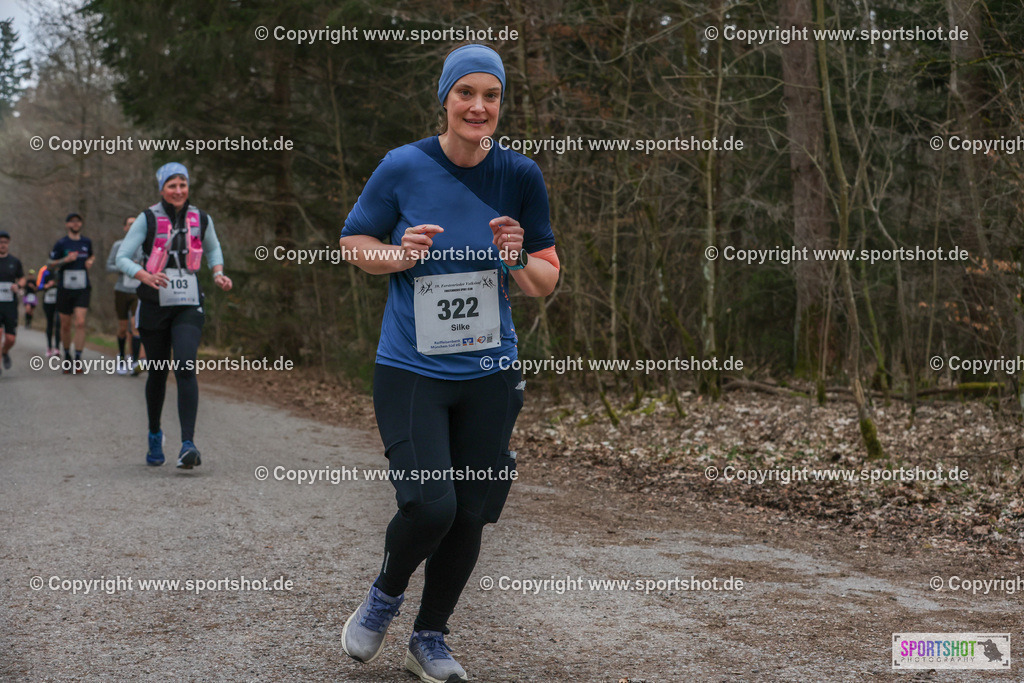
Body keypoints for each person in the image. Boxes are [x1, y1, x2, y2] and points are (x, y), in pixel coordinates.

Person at [338, 44, 560, 683]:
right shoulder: (403, 166)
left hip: (490, 374)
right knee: (433, 505)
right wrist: (398, 256)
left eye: (491, 96)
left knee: (471, 513)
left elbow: (545, 280)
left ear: (500, 105)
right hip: (412, 371)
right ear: (445, 99)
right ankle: (384, 597)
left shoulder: (521, 176)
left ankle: (429, 637)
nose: (479, 107)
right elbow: (355, 243)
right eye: (467, 93)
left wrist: (516, 257)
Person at [117, 162, 232, 468]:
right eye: (172, 185)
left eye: (183, 184)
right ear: (162, 189)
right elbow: (122, 258)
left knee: (184, 364)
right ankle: (155, 433)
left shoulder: (201, 218)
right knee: (157, 372)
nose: (178, 190)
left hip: (188, 304)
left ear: (188, 187)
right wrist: (144, 275)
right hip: (153, 305)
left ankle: (187, 444)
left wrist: (218, 273)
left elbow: (213, 250)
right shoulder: (147, 218)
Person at [46, 212, 94, 373]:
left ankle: (78, 359)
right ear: (67, 224)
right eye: (72, 221)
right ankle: (67, 357)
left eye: (78, 221)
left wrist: (90, 261)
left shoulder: (86, 242)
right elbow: (49, 265)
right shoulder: (61, 244)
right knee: (65, 325)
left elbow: (92, 256)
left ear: (81, 224)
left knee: (80, 322)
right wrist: (64, 261)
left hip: (82, 287)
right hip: (64, 288)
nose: (75, 224)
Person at [107, 216, 144, 375]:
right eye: (130, 224)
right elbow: (109, 266)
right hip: (122, 289)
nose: (132, 226)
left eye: (135, 224)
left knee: (136, 325)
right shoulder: (118, 245)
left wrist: (142, 267)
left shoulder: (143, 246)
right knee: (123, 328)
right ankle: (122, 357)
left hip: (138, 290)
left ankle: (135, 361)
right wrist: (126, 267)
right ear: (124, 228)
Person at [0, 231, 26, 376]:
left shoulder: (14, 262)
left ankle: (5, 351)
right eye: (0, 242)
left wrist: (18, 286)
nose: (2, 244)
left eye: (4, 242)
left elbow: (22, 278)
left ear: (8, 244)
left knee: (10, 338)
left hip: (10, 304)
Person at [36, 265, 61, 356]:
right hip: (48, 301)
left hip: (59, 301)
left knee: (58, 323)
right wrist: (46, 285)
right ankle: (49, 347)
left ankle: (57, 348)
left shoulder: (61, 268)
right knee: (50, 323)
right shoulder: (44, 270)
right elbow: (38, 286)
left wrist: (56, 284)